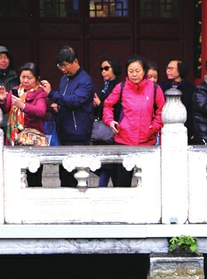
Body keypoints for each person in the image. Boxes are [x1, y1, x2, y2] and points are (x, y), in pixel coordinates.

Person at [103, 55, 165, 187]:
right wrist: (110, 121)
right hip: (124, 140)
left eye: (137, 71)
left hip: (147, 141)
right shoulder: (121, 87)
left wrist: (154, 127)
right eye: (131, 71)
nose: (134, 74)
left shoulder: (154, 88)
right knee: (122, 183)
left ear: (144, 71)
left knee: (148, 183)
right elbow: (107, 105)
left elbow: (162, 111)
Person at [45, 46, 94, 186]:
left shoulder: (85, 80)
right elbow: (64, 100)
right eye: (60, 66)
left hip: (78, 135)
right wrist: (57, 107)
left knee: (78, 177)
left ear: (75, 61)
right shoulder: (64, 79)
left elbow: (75, 101)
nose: (62, 69)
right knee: (65, 177)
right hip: (63, 133)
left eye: (65, 65)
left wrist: (52, 94)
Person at [0, 62, 49, 187]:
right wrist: (2, 100)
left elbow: (41, 111)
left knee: (33, 176)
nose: (25, 80)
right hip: (13, 138)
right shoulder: (15, 91)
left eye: (29, 78)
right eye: (23, 77)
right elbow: (6, 109)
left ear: (37, 79)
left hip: (31, 140)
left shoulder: (40, 93)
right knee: (14, 175)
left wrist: (24, 106)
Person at [94, 57, 122, 187]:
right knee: (107, 164)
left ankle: (103, 188)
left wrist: (100, 104)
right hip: (103, 133)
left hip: (115, 129)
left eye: (106, 68)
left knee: (110, 164)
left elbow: (118, 108)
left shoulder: (120, 86)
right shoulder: (102, 87)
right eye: (101, 69)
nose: (103, 72)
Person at [160, 58, 196, 142]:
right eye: (167, 68)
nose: (168, 71)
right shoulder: (162, 86)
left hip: (184, 127)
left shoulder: (190, 88)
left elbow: (192, 111)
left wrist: (193, 131)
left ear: (180, 69)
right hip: (165, 126)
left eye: (171, 68)